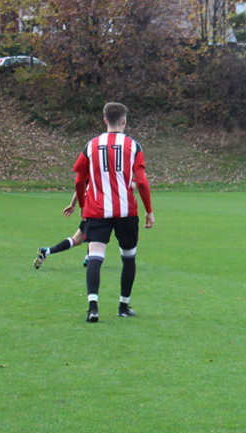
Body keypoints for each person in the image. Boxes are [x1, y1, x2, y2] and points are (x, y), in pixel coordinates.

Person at [73, 102, 155, 323]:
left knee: (95, 257)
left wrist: (83, 207)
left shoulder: (91, 145)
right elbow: (143, 183)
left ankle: (93, 308)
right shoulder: (133, 146)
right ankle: (123, 305)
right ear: (124, 121)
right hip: (126, 211)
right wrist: (149, 210)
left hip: (97, 211)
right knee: (128, 258)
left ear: (104, 120)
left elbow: (80, 179)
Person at [33, 192, 89, 269]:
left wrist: (73, 204)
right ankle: (90, 257)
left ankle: (46, 251)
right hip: (95, 211)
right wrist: (73, 204)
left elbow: (79, 187)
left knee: (77, 240)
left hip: (93, 210)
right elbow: (80, 187)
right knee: (97, 236)